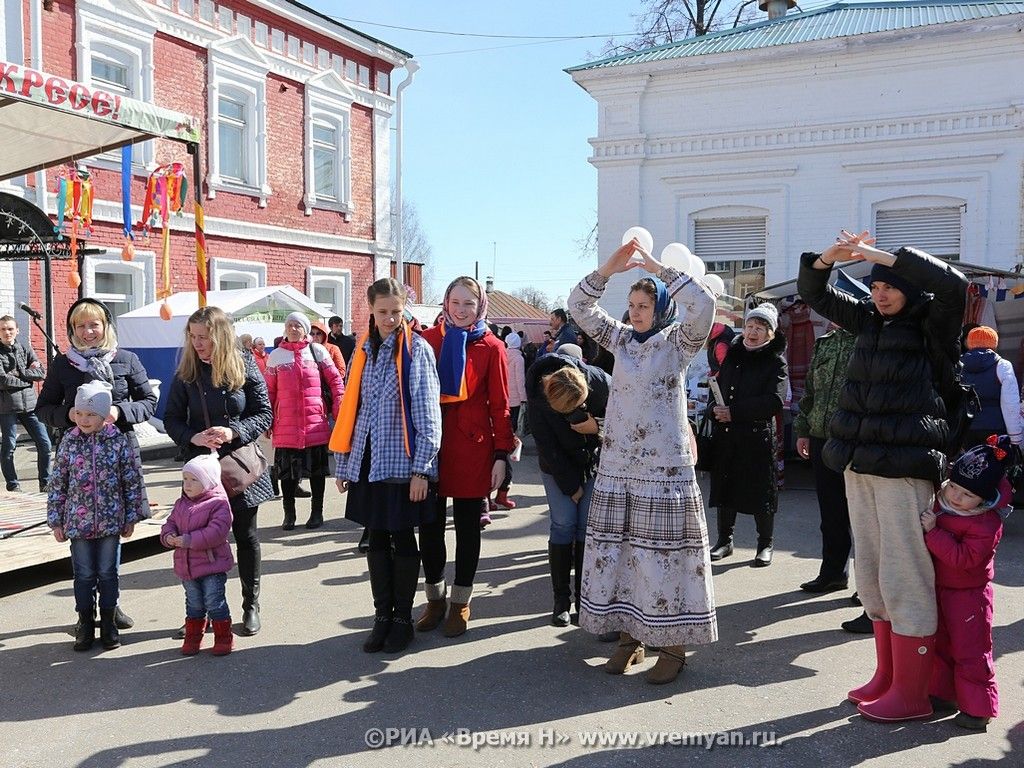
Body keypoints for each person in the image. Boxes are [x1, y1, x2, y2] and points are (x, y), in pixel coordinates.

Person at [798, 230, 968, 723]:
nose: (880, 294)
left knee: (905, 576)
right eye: (874, 285)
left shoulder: (934, 324)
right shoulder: (868, 321)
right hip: (859, 461)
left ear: (910, 287)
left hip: (905, 468)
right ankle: (888, 677)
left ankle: (913, 695)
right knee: (871, 574)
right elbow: (815, 292)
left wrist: (883, 257)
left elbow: (955, 286)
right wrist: (830, 257)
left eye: (889, 285)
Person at [568, 239, 717, 685]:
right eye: (631, 304)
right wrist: (609, 269)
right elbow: (579, 305)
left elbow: (705, 303)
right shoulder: (619, 340)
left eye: (644, 304)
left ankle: (671, 645)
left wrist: (658, 267)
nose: (635, 312)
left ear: (662, 308)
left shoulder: (679, 343)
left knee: (662, 558)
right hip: (618, 467)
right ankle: (630, 638)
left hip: (662, 470)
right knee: (624, 556)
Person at [331, 278, 442, 654]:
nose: (391, 319)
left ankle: (402, 620)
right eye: (383, 312)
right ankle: (382, 616)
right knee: (376, 538)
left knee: (402, 537)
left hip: (401, 460)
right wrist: (344, 464)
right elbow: (352, 408)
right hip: (367, 459)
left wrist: (422, 469)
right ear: (370, 310)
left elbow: (428, 411)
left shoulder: (417, 350)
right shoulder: (363, 349)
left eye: (396, 312)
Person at [36, 297, 156, 631]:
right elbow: (43, 408)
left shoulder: (127, 359)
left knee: (112, 535)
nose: (88, 332)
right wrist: (69, 415)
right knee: (85, 547)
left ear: (105, 326)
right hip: (77, 456)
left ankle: (111, 607)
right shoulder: (63, 365)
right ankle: (84, 613)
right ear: (72, 330)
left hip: (117, 454)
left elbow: (148, 401)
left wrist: (120, 412)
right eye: (80, 326)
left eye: (94, 324)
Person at [163, 306, 274, 637]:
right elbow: (171, 419)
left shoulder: (243, 364)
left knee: (246, 536)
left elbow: (264, 413)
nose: (197, 344)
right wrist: (192, 436)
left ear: (221, 336)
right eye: (192, 337)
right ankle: (209, 610)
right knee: (202, 542)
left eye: (204, 337)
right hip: (201, 472)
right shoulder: (187, 372)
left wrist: (233, 431)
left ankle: (250, 605)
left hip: (238, 468)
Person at [416, 276, 514, 638]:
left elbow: (501, 404)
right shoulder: (428, 340)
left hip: (473, 448)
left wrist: (502, 454)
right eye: (455, 302)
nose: (460, 310)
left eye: (468, 304)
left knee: (468, 529)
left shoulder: (491, 346)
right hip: (431, 448)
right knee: (429, 527)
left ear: (480, 307)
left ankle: (461, 602)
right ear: (445, 302)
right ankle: (435, 599)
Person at [48, 381, 147, 651]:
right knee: (83, 574)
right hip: (77, 523)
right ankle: (85, 621)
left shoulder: (117, 440)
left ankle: (108, 621)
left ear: (104, 415)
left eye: (91, 414)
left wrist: (131, 516)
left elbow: (130, 480)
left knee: (108, 573)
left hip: (110, 521)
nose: (84, 419)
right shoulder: (69, 440)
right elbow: (59, 482)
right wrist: (56, 519)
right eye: (79, 413)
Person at [922, 436, 1008, 732]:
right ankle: (944, 694)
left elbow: (964, 559)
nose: (957, 496)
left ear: (984, 499)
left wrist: (933, 533)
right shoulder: (942, 505)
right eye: (954, 487)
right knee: (941, 643)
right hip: (941, 589)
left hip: (969, 596)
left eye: (967, 494)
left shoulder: (986, 524)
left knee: (971, 650)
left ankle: (978, 707)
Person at [527, 352, 610, 628]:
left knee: (586, 527)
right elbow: (547, 447)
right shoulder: (537, 398)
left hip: (592, 461)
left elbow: (625, 419)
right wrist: (570, 485)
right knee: (564, 525)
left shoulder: (601, 382)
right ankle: (561, 600)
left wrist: (596, 427)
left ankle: (585, 600)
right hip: (556, 466)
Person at [707, 304, 788, 567]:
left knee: (760, 493)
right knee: (726, 487)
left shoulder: (775, 361)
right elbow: (718, 388)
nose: (753, 332)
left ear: (770, 334)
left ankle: (765, 544)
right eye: (750, 326)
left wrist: (735, 412)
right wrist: (714, 410)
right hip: (728, 436)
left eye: (760, 328)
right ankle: (724, 541)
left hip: (757, 437)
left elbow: (774, 401)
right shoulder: (733, 354)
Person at [265, 312, 344, 531]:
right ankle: (289, 514)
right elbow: (268, 392)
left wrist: (339, 410)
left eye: (297, 325)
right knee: (287, 475)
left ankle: (316, 512)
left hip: (314, 423)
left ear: (305, 330)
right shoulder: (276, 356)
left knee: (317, 473)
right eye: (289, 325)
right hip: (285, 425)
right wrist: (267, 421)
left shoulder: (317, 352)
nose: (293, 329)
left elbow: (336, 382)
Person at [795, 325, 857, 591]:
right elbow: (811, 391)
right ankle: (833, 572)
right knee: (831, 513)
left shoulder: (868, 338)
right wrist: (803, 430)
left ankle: (867, 587)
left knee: (862, 516)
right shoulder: (825, 342)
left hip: (855, 439)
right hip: (822, 436)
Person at [161, 454, 235, 656]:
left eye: (194, 480)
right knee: (193, 603)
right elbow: (170, 523)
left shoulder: (218, 503)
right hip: (187, 566)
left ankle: (223, 637)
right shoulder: (181, 503)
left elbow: (217, 532)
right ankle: (193, 637)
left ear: (208, 481)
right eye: (185, 479)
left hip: (212, 564)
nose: (188, 484)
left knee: (214, 600)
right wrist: (168, 536)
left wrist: (189, 540)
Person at [0, 315, 51, 492]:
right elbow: (2, 380)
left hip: (30, 406)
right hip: (7, 407)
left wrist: (19, 374)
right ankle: (13, 485)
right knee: (9, 447)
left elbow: (41, 373)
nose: (7, 332)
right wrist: (28, 379)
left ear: (17, 330)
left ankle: (45, 482)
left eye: (10, 329)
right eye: (3, 329)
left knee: (45, 443)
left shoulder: (25, 348)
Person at [959, 326, 1023, 449]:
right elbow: (1010, 404)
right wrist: (1016, 437)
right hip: (996, 429)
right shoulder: (1003, 365)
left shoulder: (958, 365)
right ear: (994, 342)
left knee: (973, 467)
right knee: (995, 467)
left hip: (967, 430)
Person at [486, 331, 527, 518]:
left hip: (496, 403)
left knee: (493, 448)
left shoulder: (499, 351)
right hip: (513, 402)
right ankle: (498, 495)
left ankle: (488, 499)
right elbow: (520, 380)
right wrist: (524, 399)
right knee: (507, 443)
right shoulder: (517, 358)